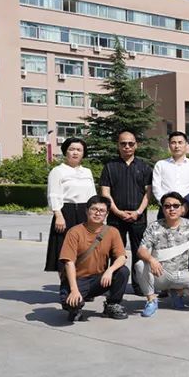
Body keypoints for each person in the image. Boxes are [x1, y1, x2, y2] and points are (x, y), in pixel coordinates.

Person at [134, 192, 189, 317]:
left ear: (182, 208)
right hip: (160, 274)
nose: (172, 209)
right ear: (163, 209)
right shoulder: (154, 226)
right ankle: (151, 300)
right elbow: (141, 250)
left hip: (181, 274)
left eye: (176, 206)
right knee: (140, 265)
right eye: (167, 206)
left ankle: (178, 292)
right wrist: (152, 260)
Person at [58, 195, 129, 322]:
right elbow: (69, 262)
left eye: (102, 210)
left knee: (123, 271)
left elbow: (121, 257)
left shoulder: (112, 232)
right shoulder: (74, 232)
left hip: (99, 279)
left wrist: (110, 270)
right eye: (94, 209)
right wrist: (74, 290)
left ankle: (112, 304)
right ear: (87, 211)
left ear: (107, 214)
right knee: (70, 303)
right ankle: (76, 308)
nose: (98, 213)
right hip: (78, 280)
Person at [99, 129, 153, 292]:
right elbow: (105, 193)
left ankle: (139, 285)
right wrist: (117, 211)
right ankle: (114, 285)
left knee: (140, 252)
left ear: (136, 145)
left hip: (139, 218)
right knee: (116, 252)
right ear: (118, 145)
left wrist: (138, 212)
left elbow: (148, 193)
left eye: (130, 143)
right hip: (116, 218)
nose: (127, 147)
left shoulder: (144, 167)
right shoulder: (109, 167)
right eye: (123, 144)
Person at [44, 137, 97, 273]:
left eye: (79, 150)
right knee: (64, 249)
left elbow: (93, 195)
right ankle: (65, 282)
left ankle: (82, 281)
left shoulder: (87, 172)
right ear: (65, 152)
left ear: (83, 153)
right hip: (66, 213)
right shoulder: (57, 171)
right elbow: (53, 194)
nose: (75, 152)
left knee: (85, 248)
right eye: (71, 149)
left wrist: (96, 215)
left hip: (85, 213)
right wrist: (58, 215)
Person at [152, 131, 189, 220]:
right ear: (169, 145)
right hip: (166, 210)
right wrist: (167, 204)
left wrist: (186, 206)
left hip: (188, 210)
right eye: (173, 143)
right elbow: (156, 188)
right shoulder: (160, 164)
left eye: (180, 142)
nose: (177, 146)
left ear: (186, 144)